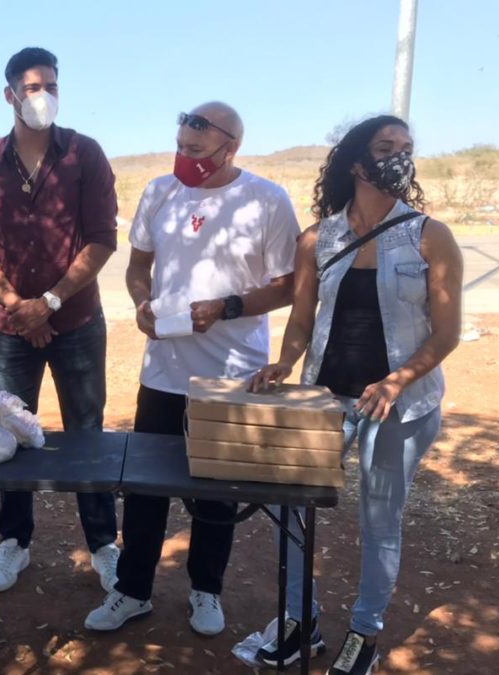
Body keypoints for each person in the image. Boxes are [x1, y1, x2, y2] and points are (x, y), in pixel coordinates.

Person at [249, 115, 462, 675]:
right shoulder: (320, 238)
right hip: (325, 401)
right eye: (385, 147)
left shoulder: (428, 236)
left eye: (407, 148)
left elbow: (446, 333)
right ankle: (301, 620)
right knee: (289, 508)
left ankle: (364, 633)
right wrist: (284, 362)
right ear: (356, 163)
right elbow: (301, 318)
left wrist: (397, 380)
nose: (399, 156)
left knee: (378, 518)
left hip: (402, 408)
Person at [84, 102, 300, 635]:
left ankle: (206, 590)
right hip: (162, 371)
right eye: (180, 146)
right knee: (144, 489)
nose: (185, 158)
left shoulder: (266, 201)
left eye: (197, 151)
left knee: (216, 491)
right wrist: (141, 304)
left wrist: (225, 308)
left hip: (231, 373)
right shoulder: (160, 191)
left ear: (231, 147)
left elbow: (289, 285)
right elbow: (139, 265)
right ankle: (132, 590)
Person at [0, 47, 121, 595]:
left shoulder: (84, 154)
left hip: (76, 319)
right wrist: (16, 305)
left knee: (87, 432)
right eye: (32, 88)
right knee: (11, 432)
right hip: (11, 328)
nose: (44, 96)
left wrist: (49, 302)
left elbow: (104, 239)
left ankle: (104, 544)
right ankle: (15, 541)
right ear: (9, 95)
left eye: (51, 85)